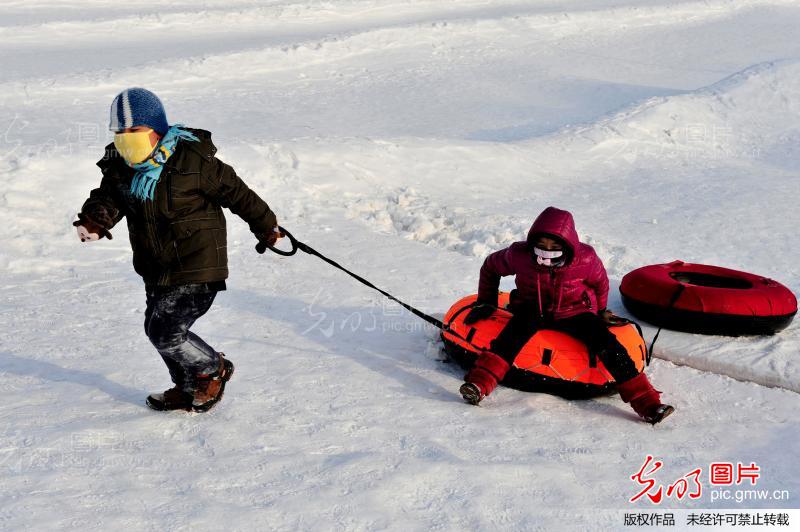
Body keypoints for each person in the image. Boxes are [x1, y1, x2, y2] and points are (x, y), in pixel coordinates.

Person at [75, 88, 282, 412]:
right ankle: (186, 388)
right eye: (120, 133)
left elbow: (238, 194)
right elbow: (110, 198)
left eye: (135, 131)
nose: (126, 139)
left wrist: (266, 226)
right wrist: (96, 220)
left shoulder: (192, 160)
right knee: (155, 328)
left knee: (166, 331)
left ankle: (213, 368)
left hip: (198, 261)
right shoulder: (121, 167)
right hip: (156, 265)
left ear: (156, 129)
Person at [459, 206, 674, 424]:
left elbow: (600, 283)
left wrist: (599, 312)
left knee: (608, 345)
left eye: (554, 247)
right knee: (509, 339)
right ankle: (478, 384)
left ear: (568, 247)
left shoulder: (586, 259)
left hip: (575, 311)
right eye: (541, 246)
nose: (546, 252)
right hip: (531, 307)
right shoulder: (519, 255)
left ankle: (648, 404)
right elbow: (490, 267)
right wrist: (486, 302)